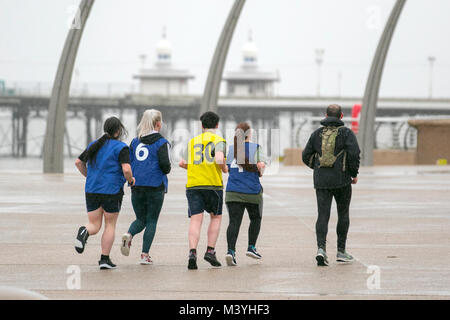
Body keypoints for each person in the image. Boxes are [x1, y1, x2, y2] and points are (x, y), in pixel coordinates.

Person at [302, 104, 360, 266]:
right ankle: (341, 251)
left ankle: (321, 249)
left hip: (321, 181)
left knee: (322, 215)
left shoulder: (316, 134)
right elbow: (355, 154)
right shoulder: (347, 133)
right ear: (341, 116)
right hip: (342, 181)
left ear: (326, 115)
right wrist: (353, 174)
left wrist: (317, 167)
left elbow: (305, 155)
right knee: (343, 214)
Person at [74, 116, 135, 270]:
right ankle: (104, 259)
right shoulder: (121, 147)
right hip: (111, 191)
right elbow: (126, 169)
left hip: (92, 189)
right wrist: (131, 179)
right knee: (110, 225)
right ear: (119, 130)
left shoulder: (94, 144)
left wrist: (89, 176)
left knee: (94, 225)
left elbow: (78, 162)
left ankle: (84, 231)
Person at [120, 109, 171, 265]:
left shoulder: (135, 142)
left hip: (137, 185)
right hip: (155, 185)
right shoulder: (162, 142)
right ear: (158, 124)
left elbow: (128, 163)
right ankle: (144, 255)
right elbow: (165, 167)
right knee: (151, 221)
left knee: (140, 219)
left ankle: (129, 234)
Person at [179, 111, 228, 270]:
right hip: (213, 185)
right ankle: (210, 251)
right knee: (216, 218)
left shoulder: (192, 142)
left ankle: (192, 252)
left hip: (194, 185)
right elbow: (219, 159)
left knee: (195, 220)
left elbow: (183, 163)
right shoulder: (219, 141)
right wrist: (224, 168)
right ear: (217, 125)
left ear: (202, 125)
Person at [224, 122, 266, 266]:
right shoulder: (256, 148)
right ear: (249, 134)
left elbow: (226, 168)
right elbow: (261, 167)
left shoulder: (230, 150)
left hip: (233, 191)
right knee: (256, 218)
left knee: (234, 222)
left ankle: (230, 251)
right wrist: (259, 171)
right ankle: (251, 247)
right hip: (252, 191)